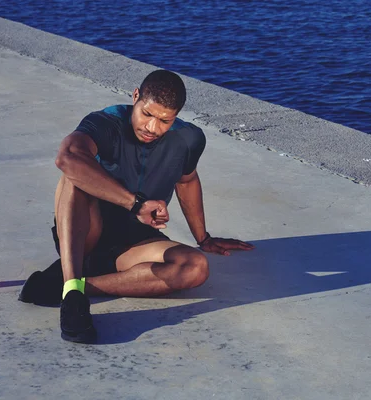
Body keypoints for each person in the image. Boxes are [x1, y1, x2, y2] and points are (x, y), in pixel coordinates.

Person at [19, 70, 254, 343]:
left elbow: (187, 181)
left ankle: (71, 284)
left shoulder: (189, 139)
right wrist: (135, 204)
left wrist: (204, 238)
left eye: (165, 120)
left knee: (195, 267)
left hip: (134, 242)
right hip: (87, 233)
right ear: (135, 97)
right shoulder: (107, 122)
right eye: (147, 114)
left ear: (176, 116)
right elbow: (67, 156)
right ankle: (73, 299)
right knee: (75, 176)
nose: (152, 128)